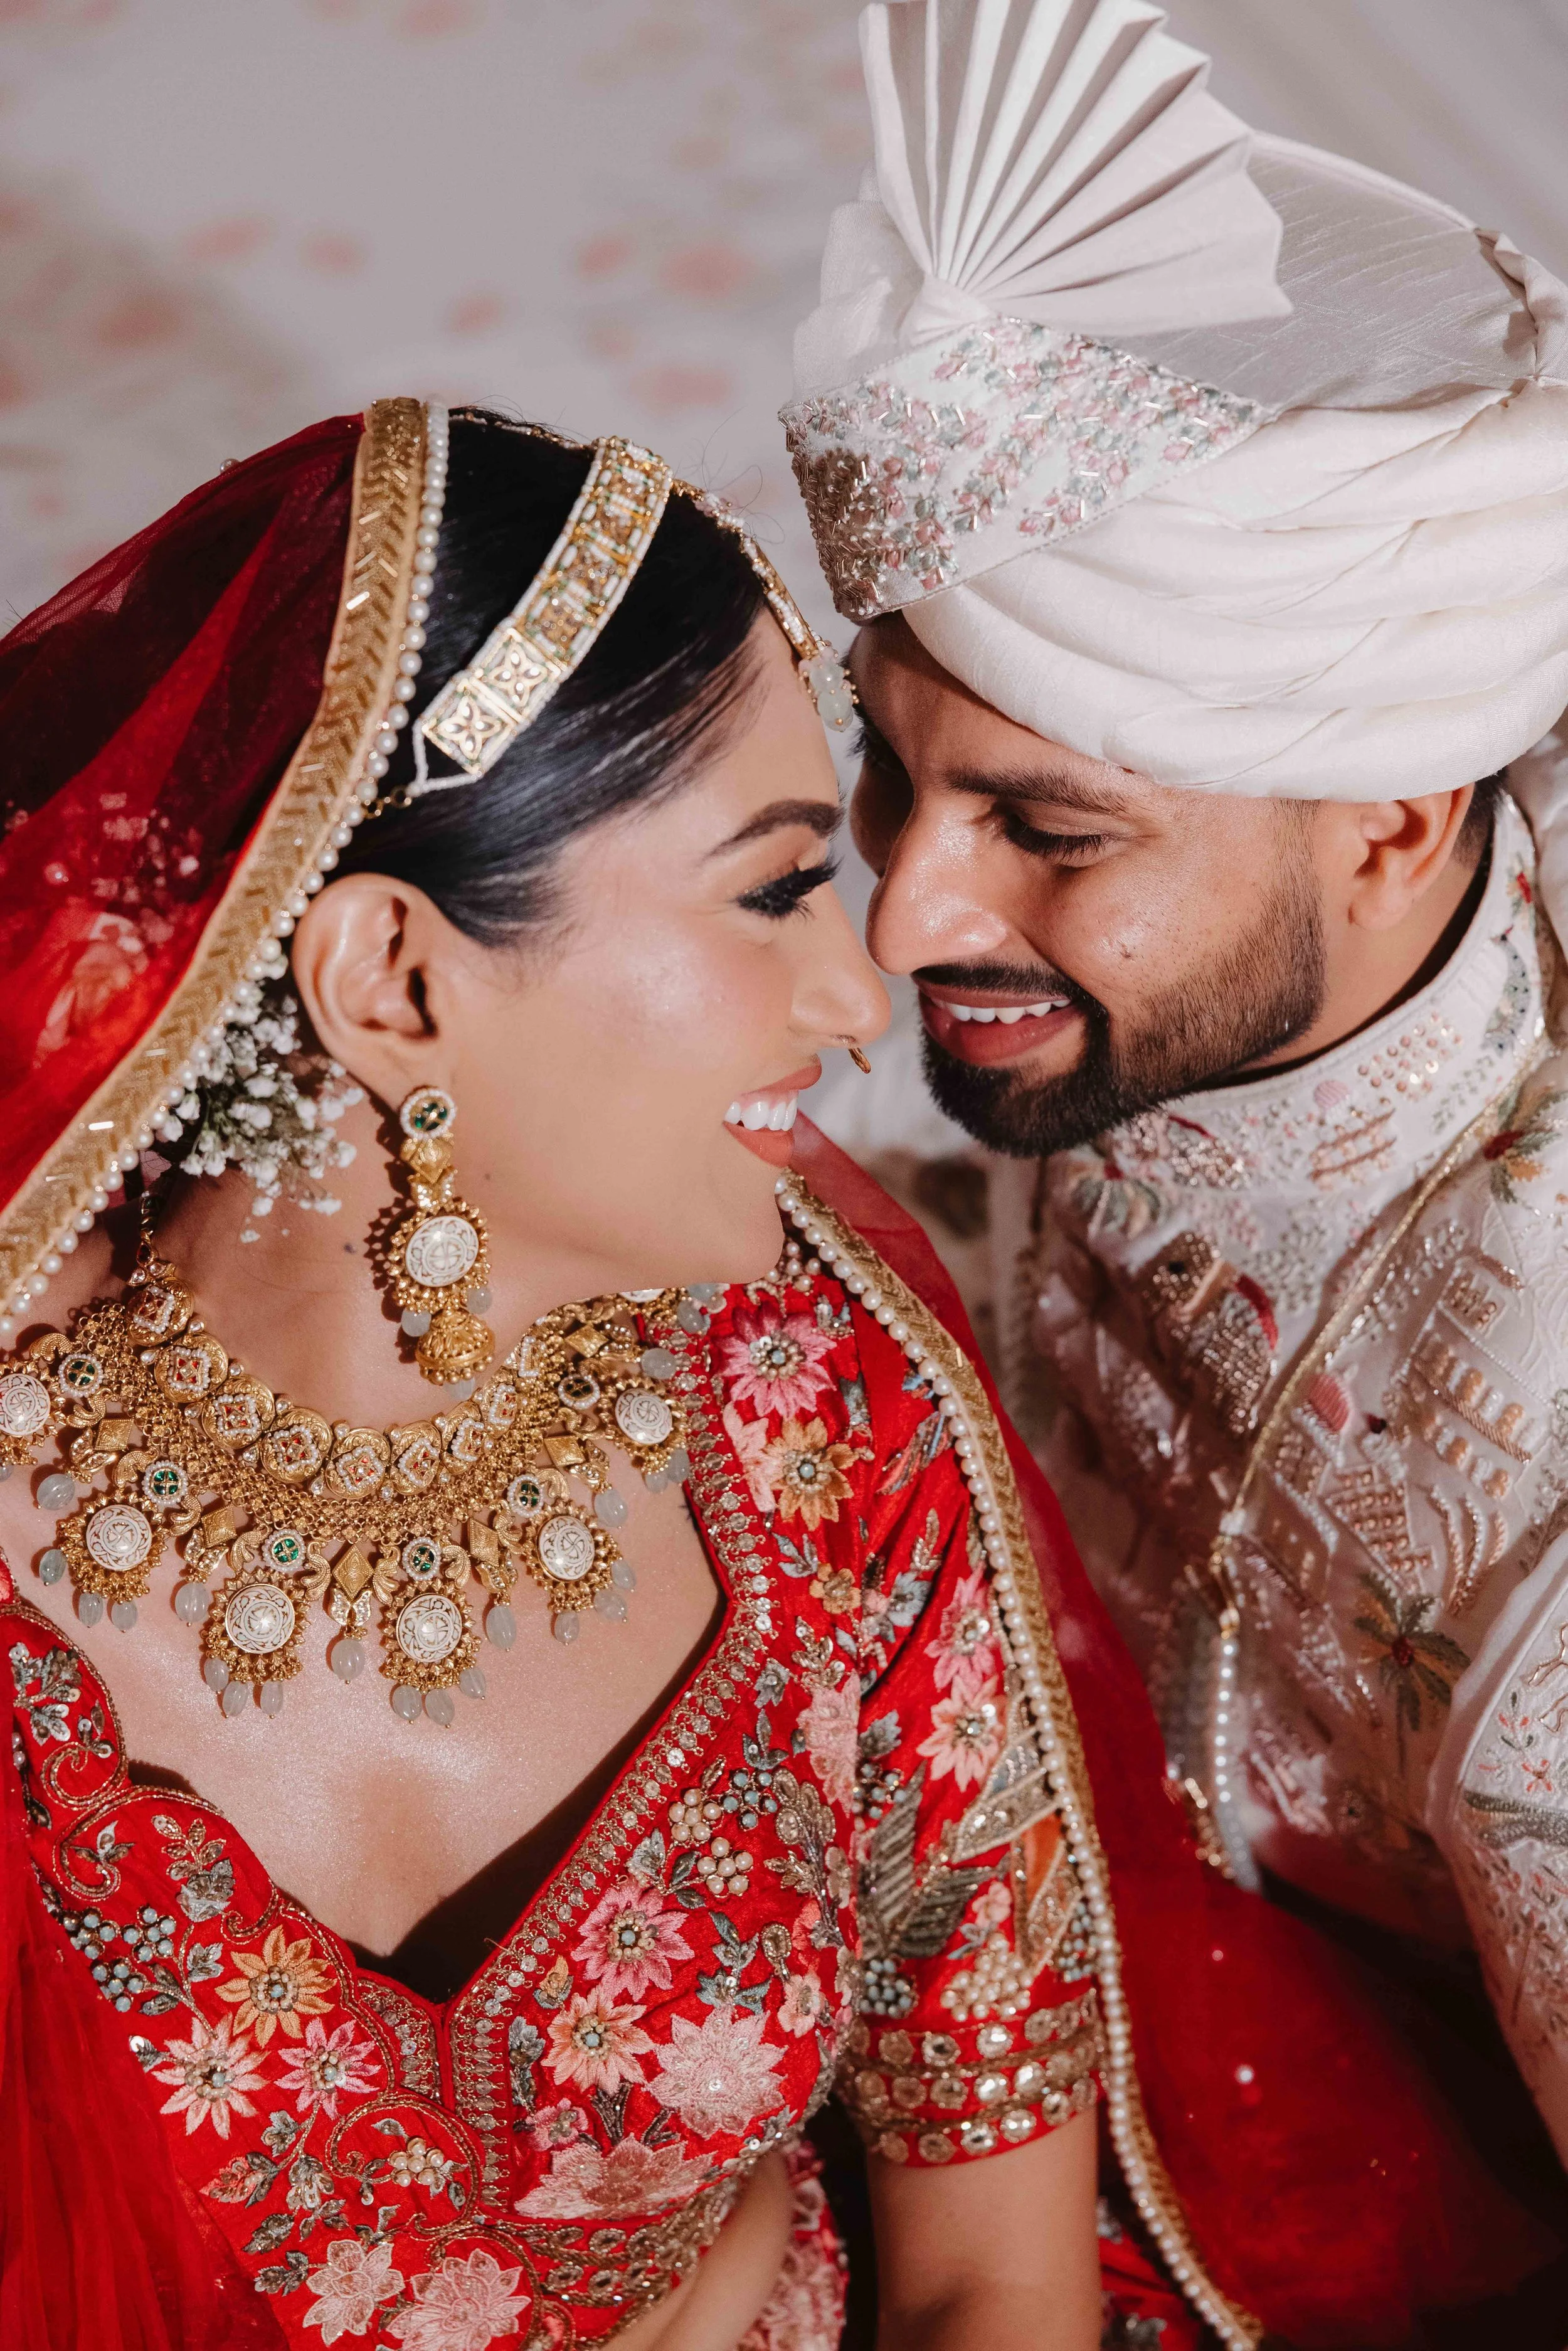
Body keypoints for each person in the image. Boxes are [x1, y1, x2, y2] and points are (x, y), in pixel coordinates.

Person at [0, 395, 1318, 2351]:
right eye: (772, 885)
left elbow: (990, 2268)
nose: (859, 993)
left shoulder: (811, 1400)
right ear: (392, 982)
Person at [783, 0, 1568, 2328]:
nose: (902, 920)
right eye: (893, 773)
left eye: (1048, 829)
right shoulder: (1198, 972)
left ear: (1400, 815)